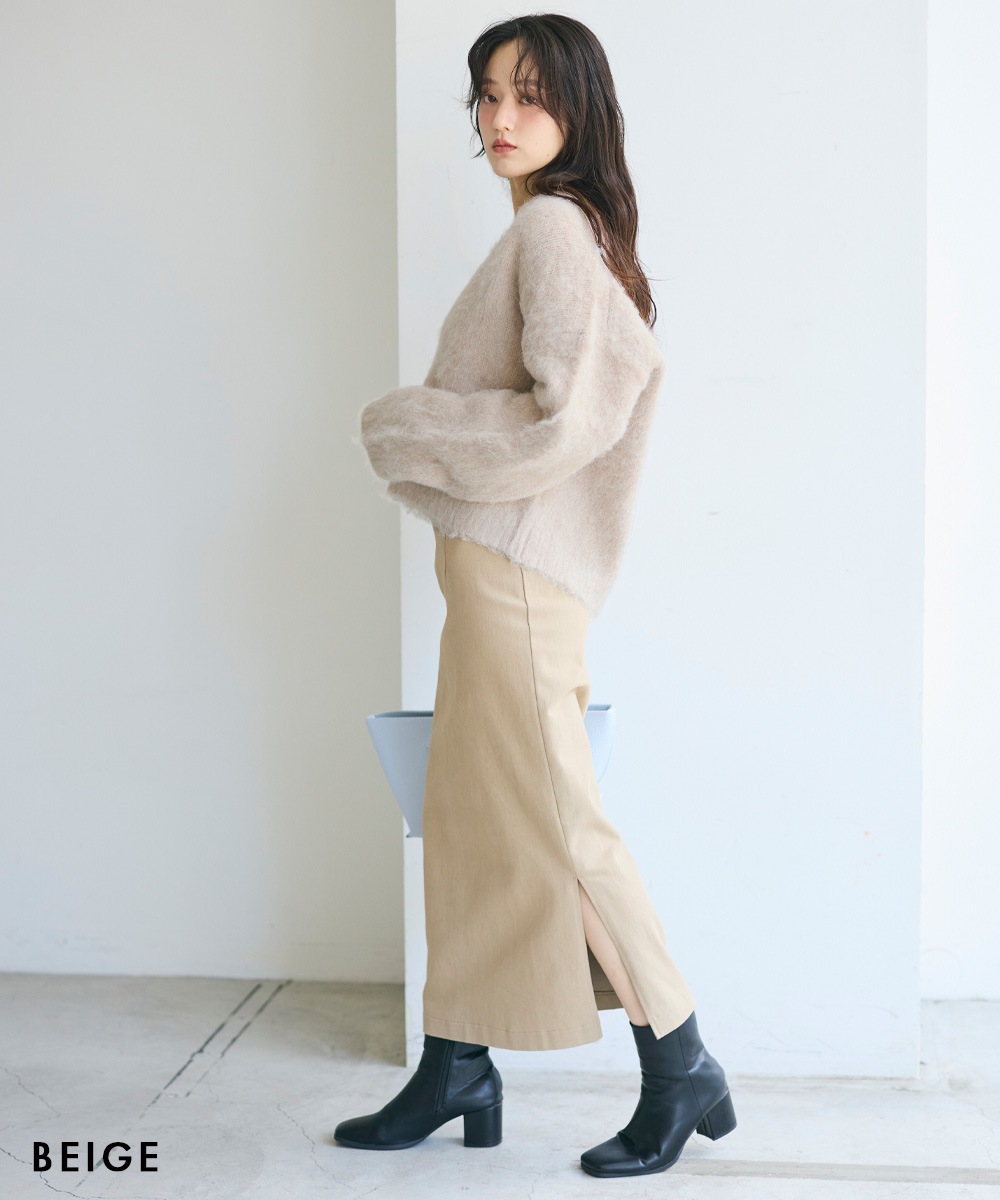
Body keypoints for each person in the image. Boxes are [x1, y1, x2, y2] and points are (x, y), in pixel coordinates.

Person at [335, 13, 736, 1179]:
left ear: (577, 109)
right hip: (497, 575)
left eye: (529, 95)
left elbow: (567, 419)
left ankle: (681, 1058)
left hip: (517, 581)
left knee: (560, 822)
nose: (500, 117)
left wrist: (407, 426)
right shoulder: (557, 228)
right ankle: (456, 1061)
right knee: (467, 816)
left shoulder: (555, 227)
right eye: (487, 94)